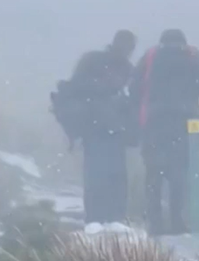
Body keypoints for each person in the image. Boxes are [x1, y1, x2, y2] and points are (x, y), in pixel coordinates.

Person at [128, 29, 199, 235]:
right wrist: (192, 91)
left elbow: (134, 87)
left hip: (154, 121)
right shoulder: (191, 55)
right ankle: (177, 220)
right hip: (185, 120)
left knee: (153, 172)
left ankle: (155, 222)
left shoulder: (150, 56)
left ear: (161, 42)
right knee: (180, 170)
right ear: (183, 42)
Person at [50, 30, 137, 228]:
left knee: (107, 173)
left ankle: (108, 218)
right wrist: (106, 89)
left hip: (107, 127)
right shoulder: (96, 61)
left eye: (129, 48)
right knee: (105, 173)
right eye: (126, 46)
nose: (127, 51)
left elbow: (76, 85)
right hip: (98, 126)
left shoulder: (118, 67)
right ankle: (101, 218)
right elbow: (78, 86)